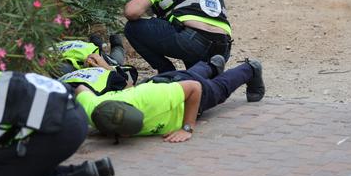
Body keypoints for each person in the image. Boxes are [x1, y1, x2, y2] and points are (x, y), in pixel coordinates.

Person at [73, 56, 265, 143]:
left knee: (217, 90)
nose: (127, 137)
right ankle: (211, 65)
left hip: (185, 93)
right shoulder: (94, 108)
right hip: (164, 83)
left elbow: (194, 88)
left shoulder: (153, 100)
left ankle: (250, 69)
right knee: (188, 75)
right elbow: (80, 89)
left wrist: (187, 128)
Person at [58, 53, 137, 95]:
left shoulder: (109, 74)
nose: (89, 60)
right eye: (88, 58)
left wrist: (106, 67)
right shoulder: (74, 71)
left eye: (93, 59)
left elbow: (131, 90)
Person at [53, 34, 126, 74]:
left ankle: (116, 42)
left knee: (117, 63)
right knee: (116, 61)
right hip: (87, 49)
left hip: (92, 52)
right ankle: (113, 41)